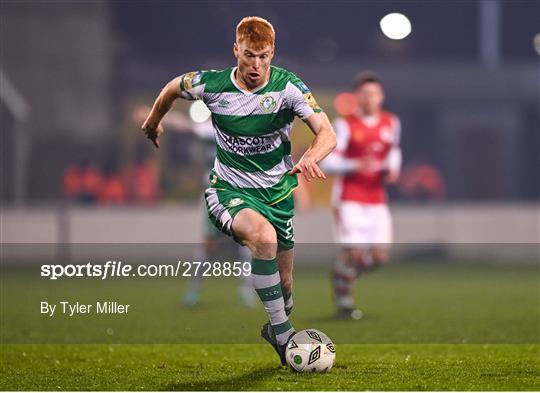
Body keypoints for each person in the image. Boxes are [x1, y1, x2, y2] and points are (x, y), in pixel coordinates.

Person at [140, 16, 336, 365]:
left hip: (276, 195)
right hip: (228, 191)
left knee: (286, 285)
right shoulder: (212, 85)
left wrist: (311, 156)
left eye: (263, 56)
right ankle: (285, 339)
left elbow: (327, 133)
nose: (256, 65)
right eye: (248, 55)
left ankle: (276, 325)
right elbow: (173, 86)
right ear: (236, 51)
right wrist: (153, 122)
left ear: (272, 52)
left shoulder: (288, 87)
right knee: (263, 239)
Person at [322, 71, 402, 319]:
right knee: (354, 253)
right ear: (357, 97)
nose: (370, 99)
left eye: (374, 94)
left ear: (381, 96)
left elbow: (393, 151)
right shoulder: (345, 125)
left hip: (377, 198)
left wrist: (393, 169)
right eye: (365, 94)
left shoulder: (391, 122)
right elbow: (329, 163)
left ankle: (341, 274)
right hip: (349, 198)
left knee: (379, 257)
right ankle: (345, 302)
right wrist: (356, 165)